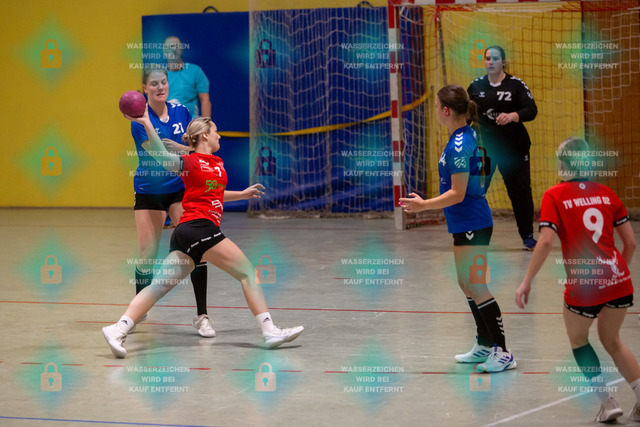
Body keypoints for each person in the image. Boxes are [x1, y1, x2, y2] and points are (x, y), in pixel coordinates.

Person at [103, 114, 304, 357]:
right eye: (216, 131)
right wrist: (146, 123)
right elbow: (162, 156)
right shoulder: (189, 163)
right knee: (248, 274)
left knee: (159, 286)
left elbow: (214, 192)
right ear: (205, 135)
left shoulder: (217, 162)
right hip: (200, 227)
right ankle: (270, 331)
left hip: (186, 234)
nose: (220, 135)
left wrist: (242, 194)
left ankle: (117, 329)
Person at [515, 137, 640, 423]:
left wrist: (526, 281)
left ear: (562, 165)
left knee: (579, 340)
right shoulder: (607, 193)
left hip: (584, 286)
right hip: (619, 279)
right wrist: (616, 273)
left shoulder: (554, 196)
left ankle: (607, 402)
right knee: (613, 341)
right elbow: (631, 243)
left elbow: (546, 241)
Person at [400, 85, 515, 373]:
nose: (435, 111)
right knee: (466, 283)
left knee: (476, 285)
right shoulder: (462, 136)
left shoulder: (461, 144)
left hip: (473, 222)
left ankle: (502, 352)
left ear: (446, 110)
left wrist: (423, 205)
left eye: (436, 106)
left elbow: (458, 193)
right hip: (464, 223)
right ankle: (484, 343)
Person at [130, 67, 214, 337]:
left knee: (197, 248)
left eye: (163, 82)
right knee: (147, 254)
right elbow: (158, 154)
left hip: (179, 188)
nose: (160, 87)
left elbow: (196, 148)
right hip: (149, 190)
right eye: (154, 84)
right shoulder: (139, 120)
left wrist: (183, 148)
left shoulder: (181, 112)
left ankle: (202, 316)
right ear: (145, 88)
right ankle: (136, 312)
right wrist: (180, 150)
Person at [467, 45, 538, 251]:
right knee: (476, 191)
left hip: (514, 150)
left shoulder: (516, 85)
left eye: (495, 58)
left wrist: (514, 115)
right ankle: (471, 235)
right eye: (487, 58)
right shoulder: (475, 87)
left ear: (503, 62)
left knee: (520, 192)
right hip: (484, 151)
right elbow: (466, 115)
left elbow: (532, 110)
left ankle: (527, 237)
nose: (491, 62)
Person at [163, 36, 211, 119]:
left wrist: (206, 123)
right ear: (164, 51)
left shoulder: (195, 71)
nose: (174, 49)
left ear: (182, 49)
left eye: (177, 46)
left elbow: (205, 99)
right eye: (171, 46)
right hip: (166, 123)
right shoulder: (158, 74)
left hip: (191, 123)